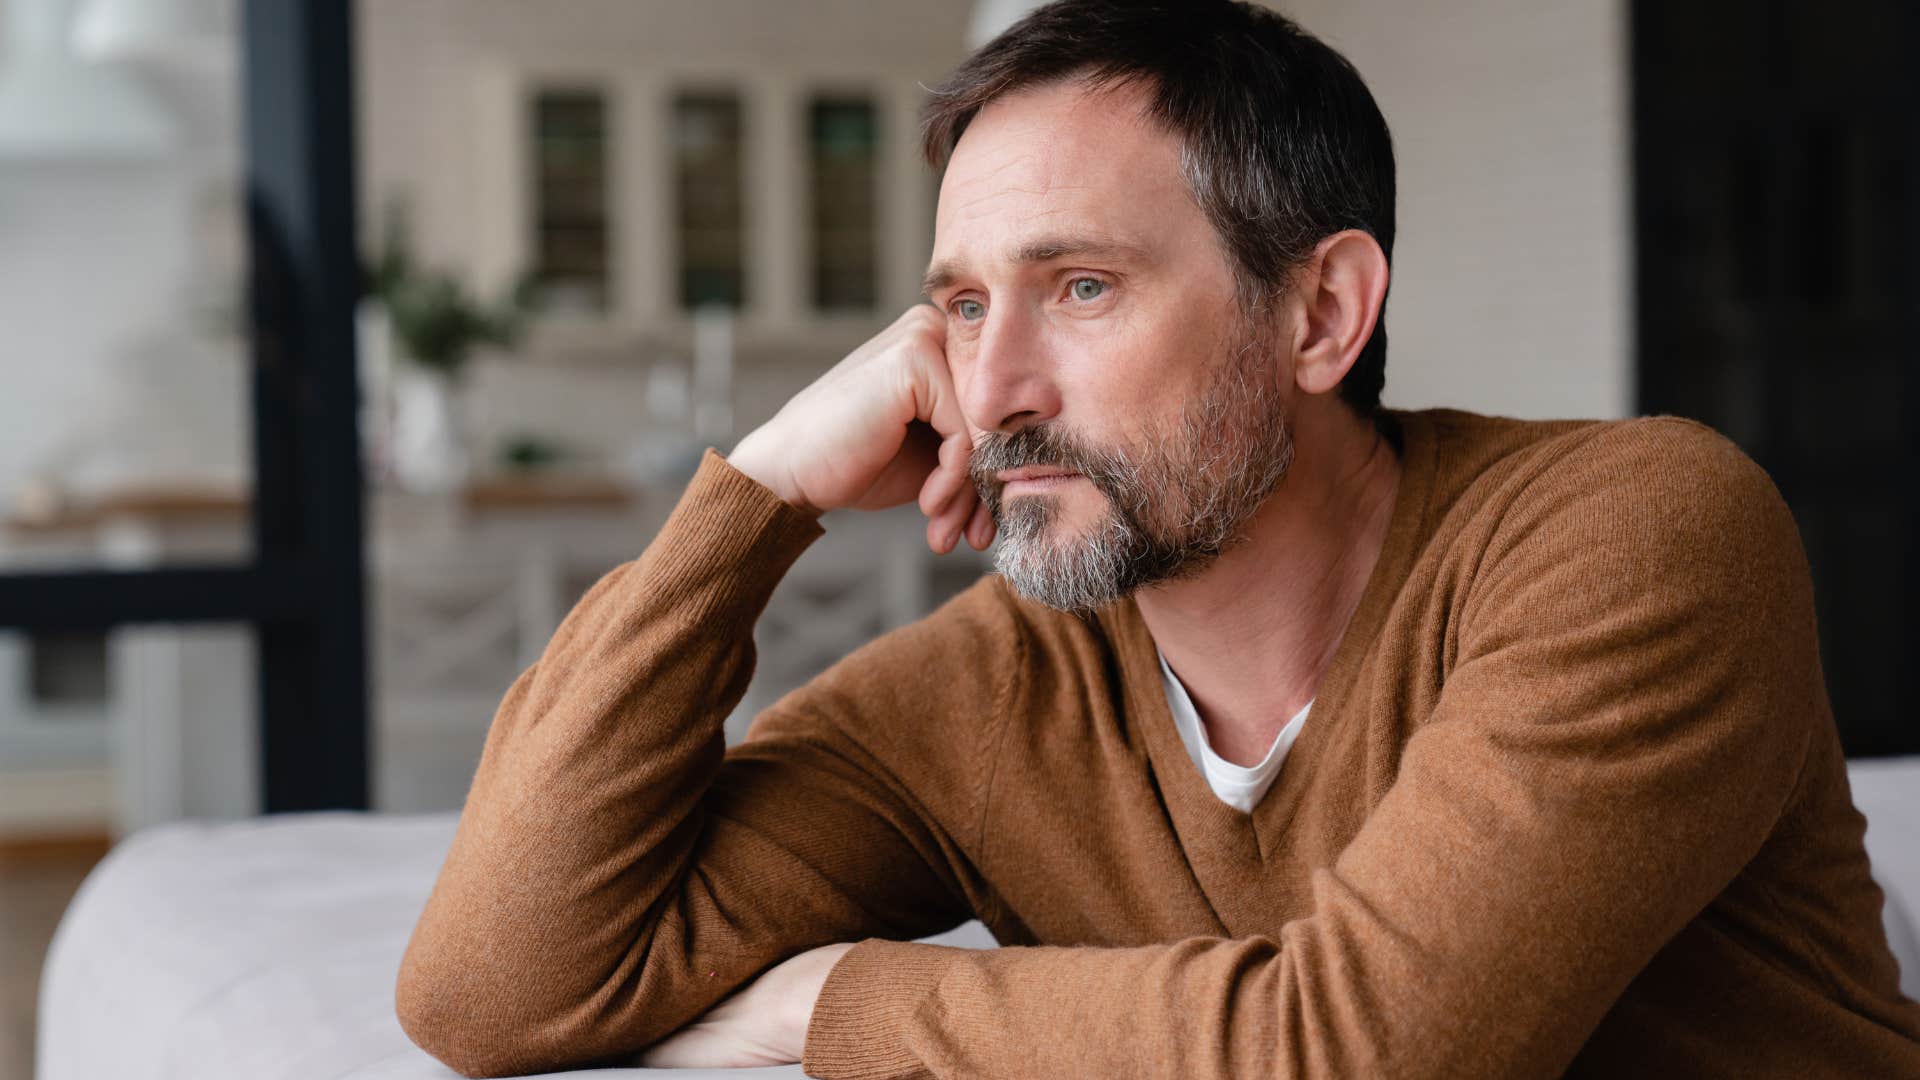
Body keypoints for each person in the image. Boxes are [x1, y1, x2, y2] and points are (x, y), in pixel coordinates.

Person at [395, 2, 1920, 1076]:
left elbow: (1360, 1055)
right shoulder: (994, 692)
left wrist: (834, 1004)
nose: (991, 389)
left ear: (1321, 313)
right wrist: (761, 497)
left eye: (1082, 288)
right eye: (961, 304)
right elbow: (488, 990)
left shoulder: (1636, 530)